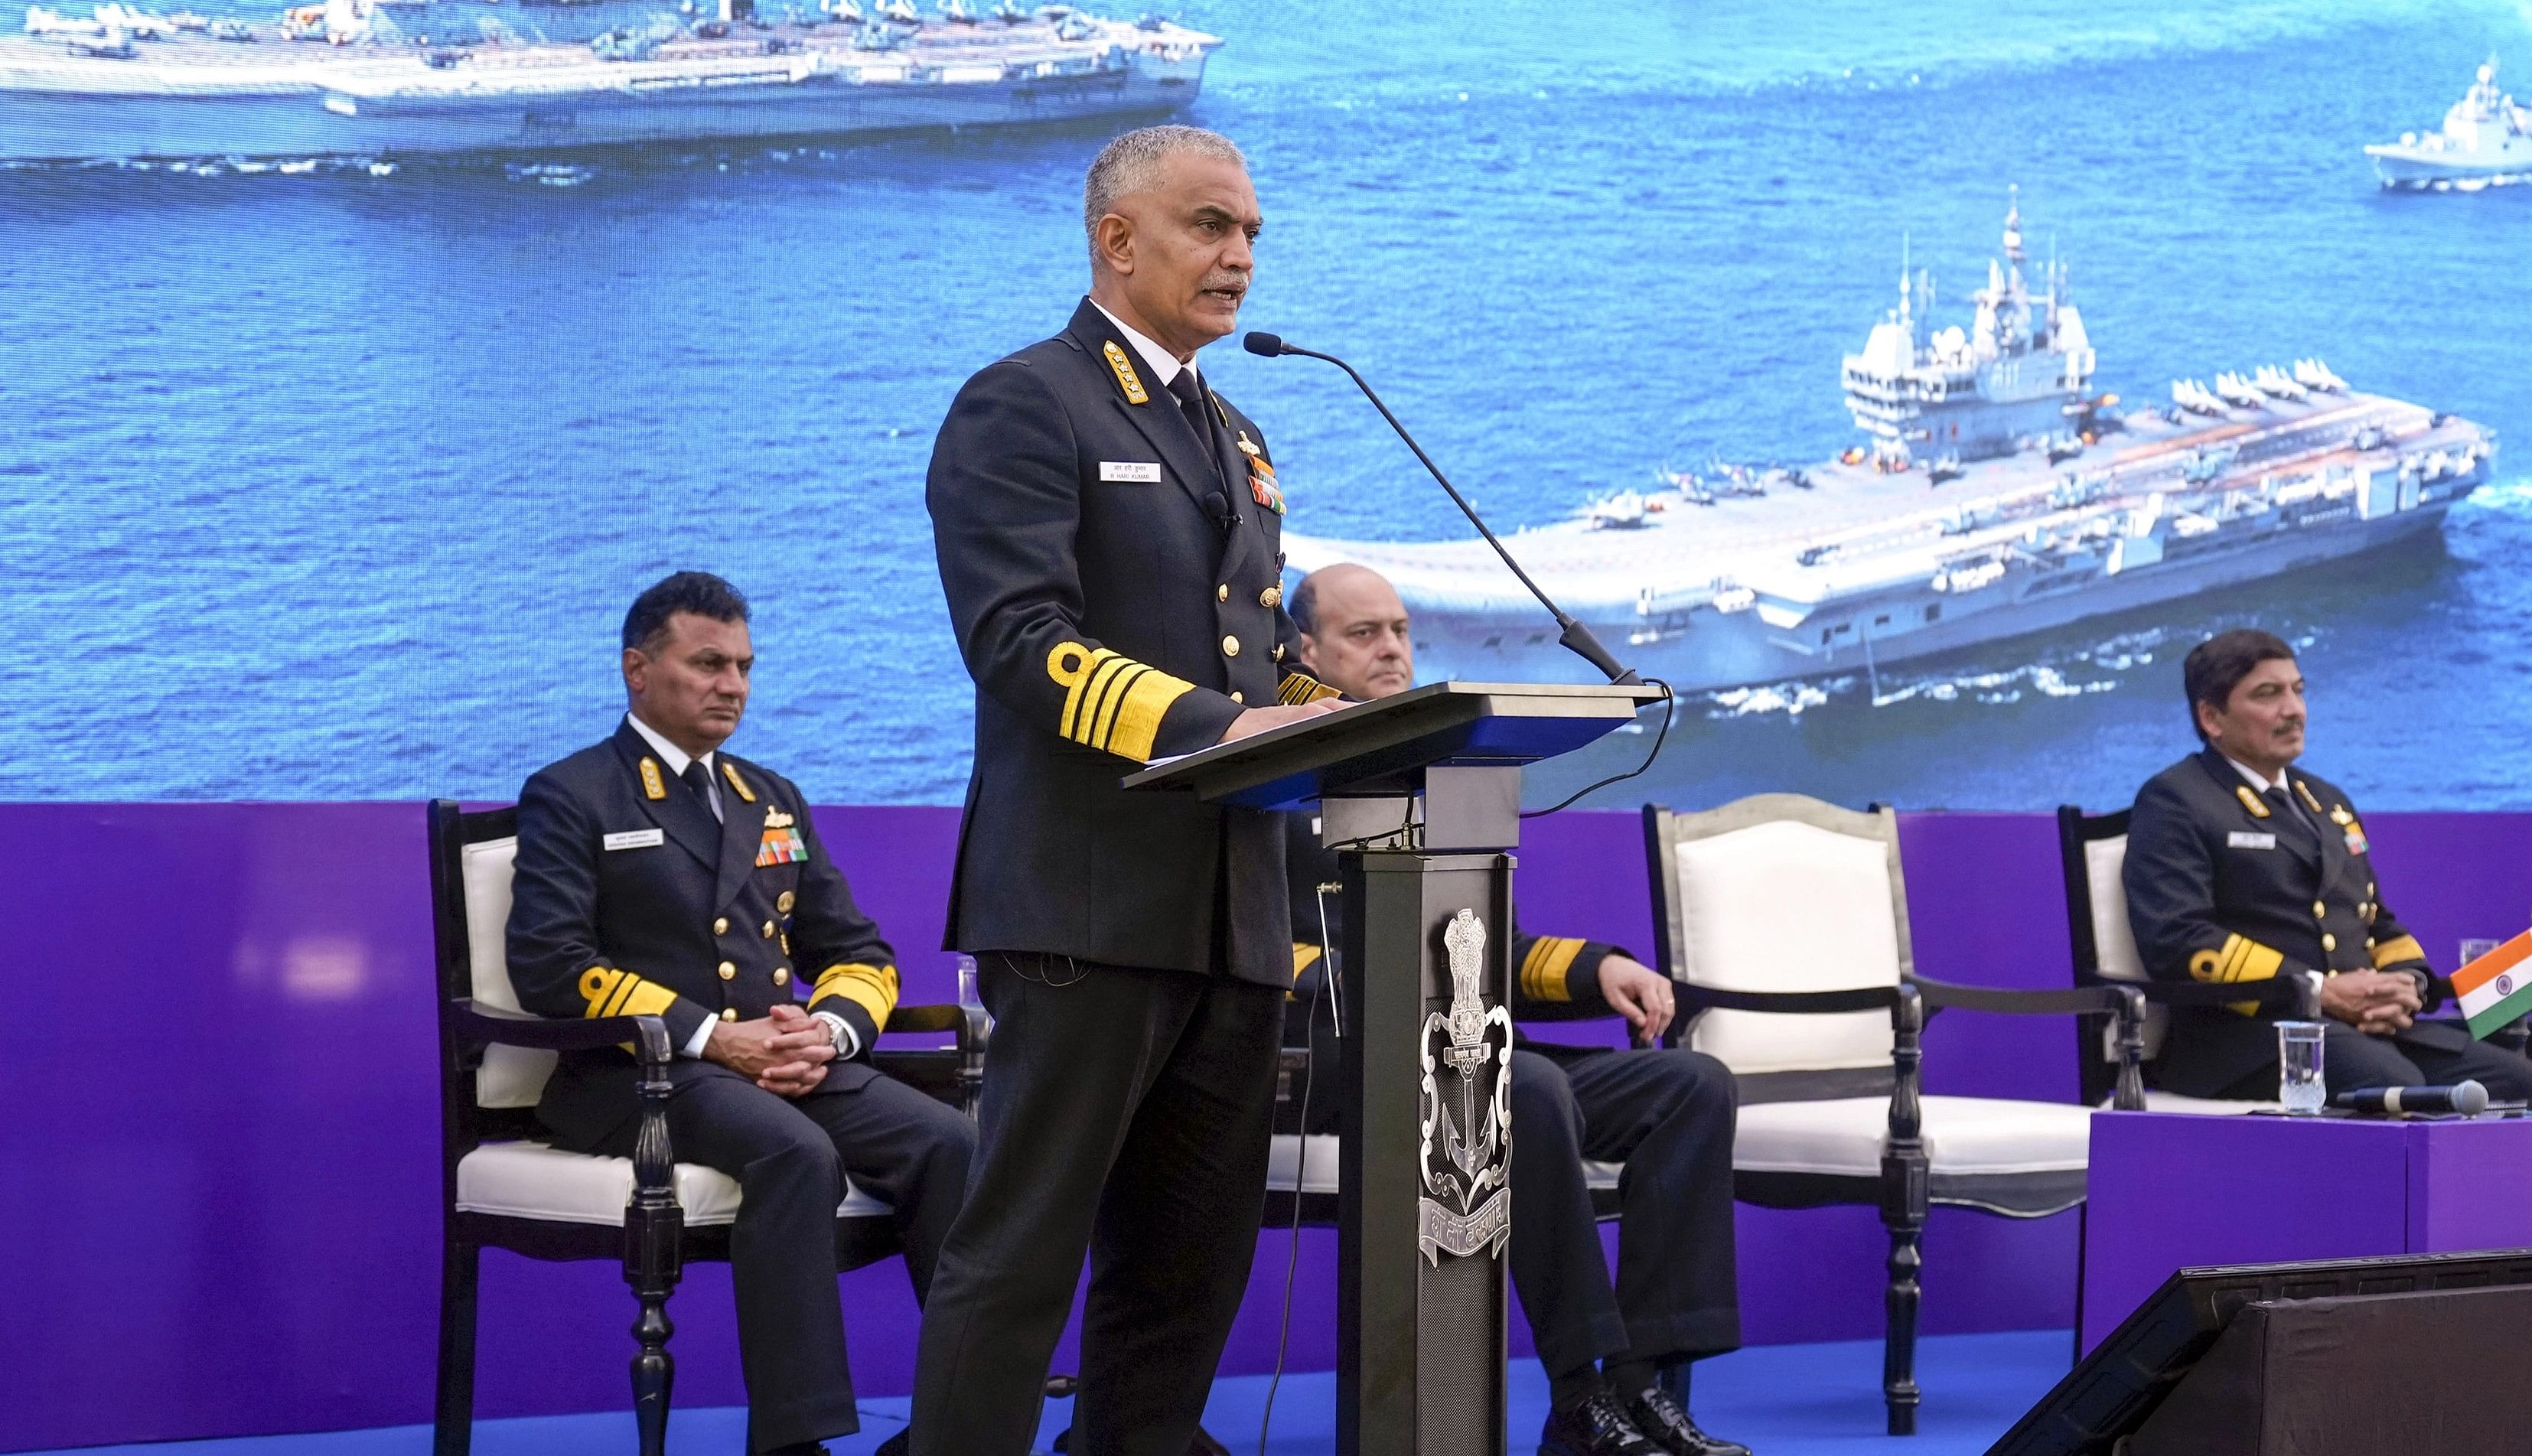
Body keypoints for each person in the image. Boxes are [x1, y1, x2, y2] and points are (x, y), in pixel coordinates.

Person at [911, 125, 1340, 1456]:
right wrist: (1230, 726)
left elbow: (1255, 646)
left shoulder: (1236, 428)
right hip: (1087, 906)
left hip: (1231, 914)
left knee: (1187, 1269)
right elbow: (1021, 641)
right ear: (1119, 240)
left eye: (1254, 233)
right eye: (1213, 226)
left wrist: (1355, 720)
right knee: (1022, 1253)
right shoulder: (1027, 403)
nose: (1242, 257)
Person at [1282, 564, 1748, 1456]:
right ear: (1305, 652)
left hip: (1466, 1050)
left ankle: (1639, 1389)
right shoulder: (1270, 777)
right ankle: (1581, 1394)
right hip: (1349, 1063)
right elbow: (1273, 953)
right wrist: (1402, 984)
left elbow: (1494, 944)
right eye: (1362, 634)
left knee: (1690, 1085)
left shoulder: (1438, 770)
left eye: (1400, 631)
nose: (1391, 649)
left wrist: (1601, 968)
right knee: (1521, 1086)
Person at [508, 572, 973, 1456]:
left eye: (745, 667)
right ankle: (794, 1445)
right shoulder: (573, 794)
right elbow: (551, 964)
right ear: (637, 671)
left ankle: (957, 1427)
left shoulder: (771, 797)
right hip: (637, 1077)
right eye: (708, 663)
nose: (733, 686)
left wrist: (825, 1030)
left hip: (780, 1060)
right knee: (796, 1152)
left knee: (951, 1144)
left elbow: (859, 954)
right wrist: (716, 1037)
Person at [2123, 629, 2532, 1102]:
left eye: (2298, 691)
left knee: (2528, 1086)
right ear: (2211, 717)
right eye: (2268, 695)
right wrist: (2320, 992)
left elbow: (2377, 924)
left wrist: (2404, 986)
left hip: (2361, 1031)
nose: (2293, 710)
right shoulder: (2176, 800)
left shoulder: (2327, 801)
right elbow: (2177, 938)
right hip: (2247, 1040)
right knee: (2398, 1087)